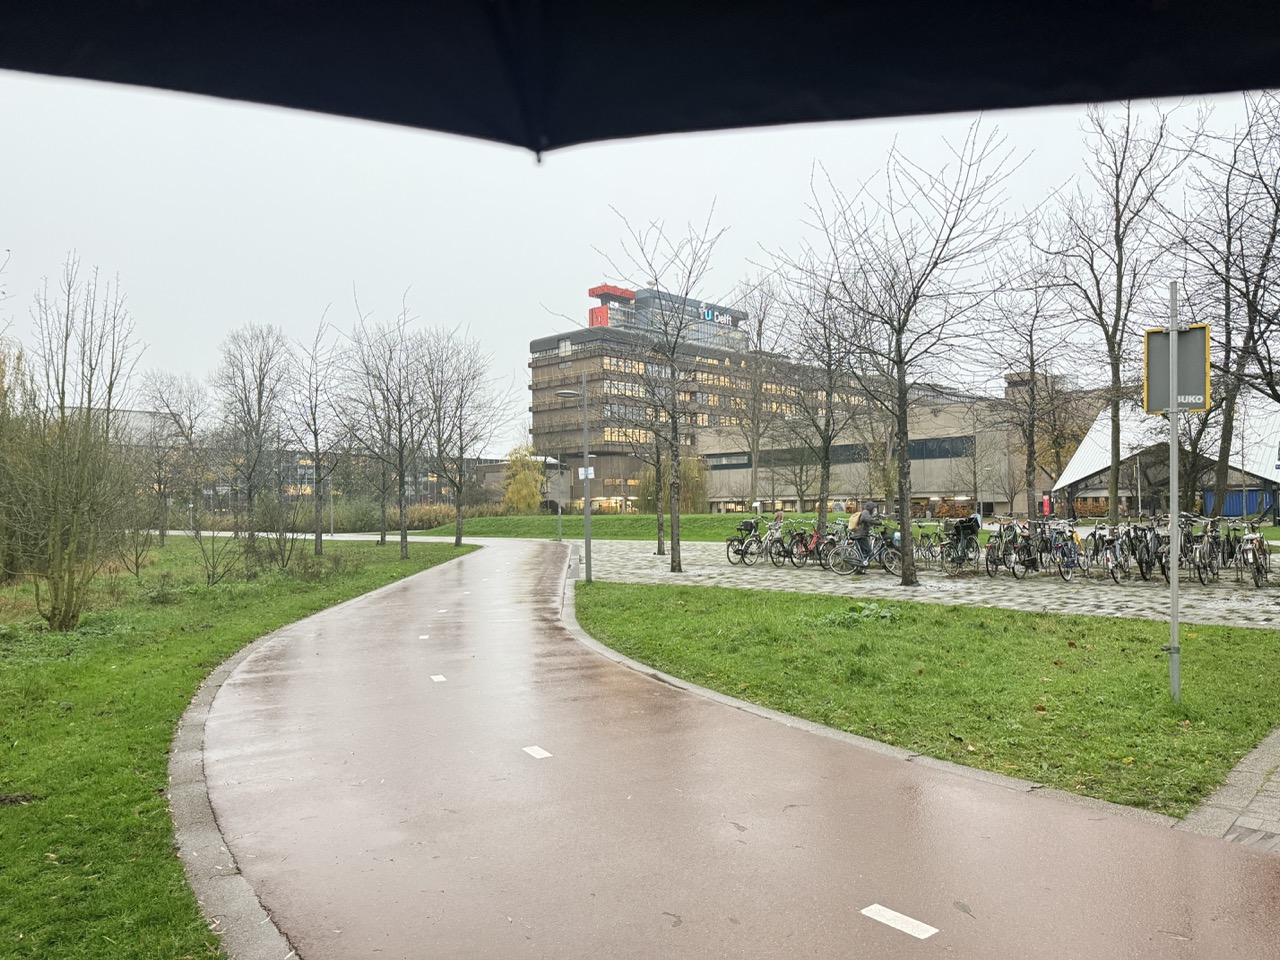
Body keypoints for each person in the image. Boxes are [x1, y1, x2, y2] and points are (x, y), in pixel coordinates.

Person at [849, 499, 875, 572]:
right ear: (870, 508)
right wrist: (878, 522)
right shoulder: (865, 513)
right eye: (873, 508)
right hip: (861, 535)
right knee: (869, 551)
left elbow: (868, 521)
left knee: (863, 552)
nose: (874, 510)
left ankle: (861, 567)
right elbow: (869, 520)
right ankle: (860, 564)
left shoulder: (865, 512)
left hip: (860, 534)